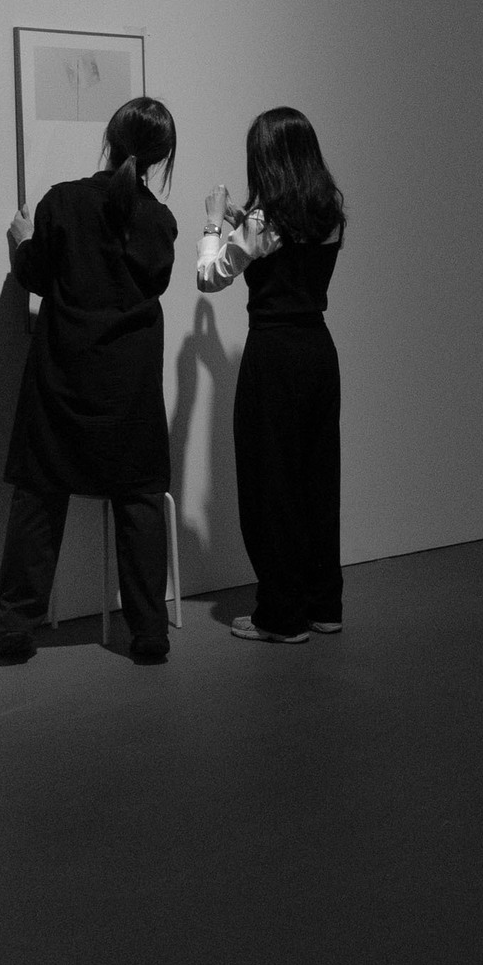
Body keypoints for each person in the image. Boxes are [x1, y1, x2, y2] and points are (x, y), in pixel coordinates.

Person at [0, 97, 179, 664]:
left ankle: (15, 626)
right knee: (140, 497)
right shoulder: (159, 223)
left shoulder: (62, 202)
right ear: (160, 158)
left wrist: (23, 242)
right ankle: (149, 632)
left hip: (63, 377)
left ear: (109, 139)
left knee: (40, 492)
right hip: (130, 387)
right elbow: (153, 281)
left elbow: (36, 274)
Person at [198, 106, 344, 644]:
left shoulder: (262, 223)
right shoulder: (328, 212)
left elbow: (208, 277)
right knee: (316, 479)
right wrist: (245, 224)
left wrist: (215, 222)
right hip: (317, 351)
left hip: (274, 354)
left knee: (270, 483)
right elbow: (276, 248)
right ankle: (324, 604)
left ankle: (281, 615)